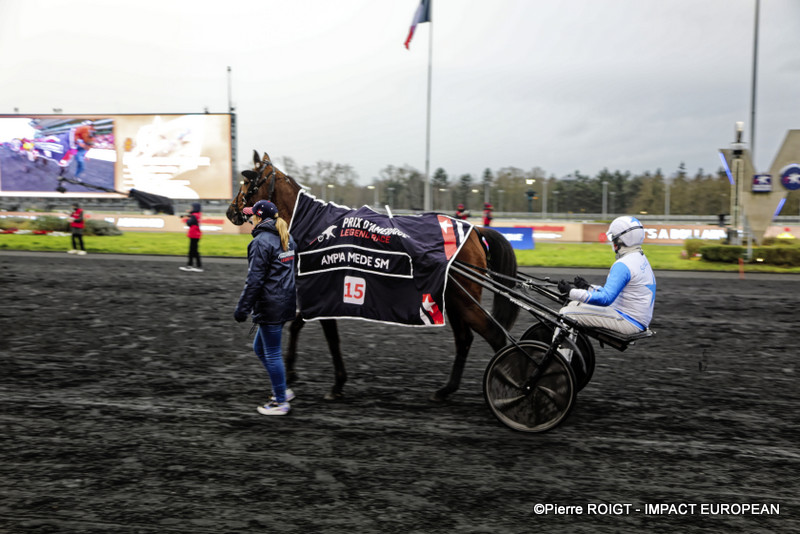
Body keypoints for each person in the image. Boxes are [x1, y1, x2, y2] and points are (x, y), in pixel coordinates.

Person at [233, 200, 297, 416]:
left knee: (271, 353)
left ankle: (280, 401)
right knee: (260, 349)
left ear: (260, 217)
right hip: (284, 303)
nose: (250, 218)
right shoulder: (287, 238)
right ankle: (282, 391)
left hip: (271, 306)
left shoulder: (260, 242)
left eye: (253, 215)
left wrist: (243, 308)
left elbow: (254, 281)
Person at [557, 216, 656, 336]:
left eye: (614, 238)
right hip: (635, 317)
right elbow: (614, 293)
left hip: (627, 320)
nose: (612, 242)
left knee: (566, 313)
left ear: (621, 240)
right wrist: (587, 287)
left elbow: (605, 299)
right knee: (573, 304)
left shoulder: (623, 265)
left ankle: (559, 354)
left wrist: (571, 292)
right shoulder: (639, 257)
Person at [180, 203, 203, 272]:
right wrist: (188, 214)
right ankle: (191, 265)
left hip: (194, 235)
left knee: (193, 251)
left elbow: (189, 223)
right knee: (193, 251)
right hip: (196, 235)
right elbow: (192, 215)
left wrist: (186, 219)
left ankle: (195, 266)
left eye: (192, 207)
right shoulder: (197, 214)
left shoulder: (194, 216)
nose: (191, 208)